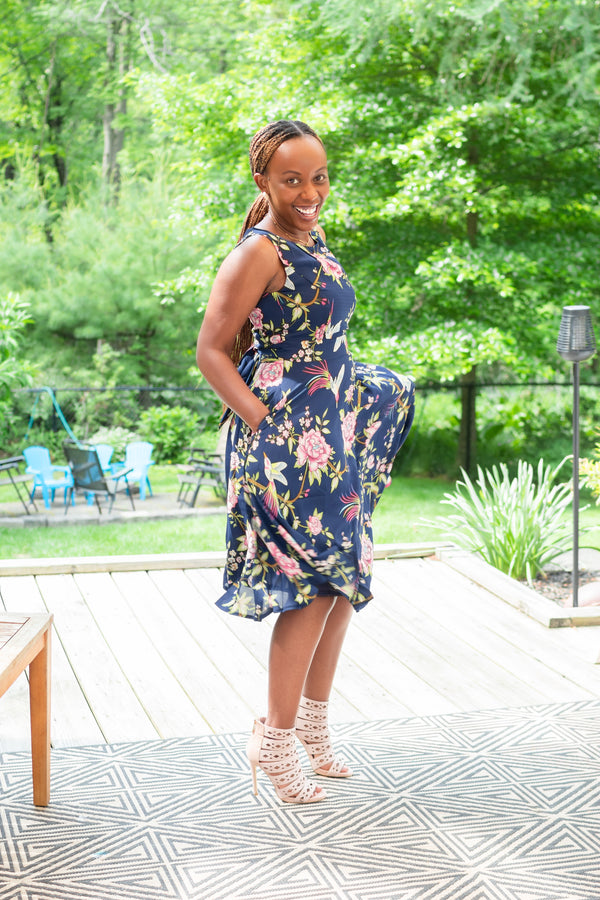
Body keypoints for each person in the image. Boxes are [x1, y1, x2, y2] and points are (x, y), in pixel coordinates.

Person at [196, 119, 415, 804]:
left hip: (331, 432)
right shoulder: (259, 252)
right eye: (292, 179)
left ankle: (314, 730)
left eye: (318, 177)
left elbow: (321, 339)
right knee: (314, 584)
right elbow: (210, 350)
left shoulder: (307, 237)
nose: (310, 191)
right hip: (289, 442)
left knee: (343, 576)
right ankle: (275, 736)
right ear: (262, 179)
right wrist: (266, 426)